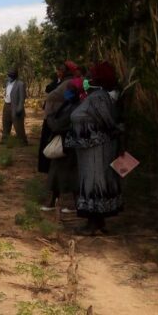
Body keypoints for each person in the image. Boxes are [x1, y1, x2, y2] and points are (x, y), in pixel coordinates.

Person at [65, 62, 123, 235]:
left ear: (99, 78)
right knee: (95, 182)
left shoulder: (98, 97)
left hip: (97, 150)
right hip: (91, 149)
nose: (87, 77)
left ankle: (93, 223)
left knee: (94, 183)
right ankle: (98, 222)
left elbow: (108, 122)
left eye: (91, 74)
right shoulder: (95, 95)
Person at [40, 81, 83, 212]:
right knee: (55, 173)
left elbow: (58, 124)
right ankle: (53, 202)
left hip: (69, 144)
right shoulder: (68, 104)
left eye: (70, 90)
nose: (67, 93)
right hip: (63, 143)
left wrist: (51, 120)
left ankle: (72, 204)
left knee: (68, 175)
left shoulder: (76, 107)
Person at [38, 62, 76, 173]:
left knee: (54, 143)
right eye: (58, 70)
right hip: (53, 116)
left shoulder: (69, 82)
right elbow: (49, 88)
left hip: (58, 117)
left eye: (61, 70)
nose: (58, 72)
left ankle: (49, 168)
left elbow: (55, 95)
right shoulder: (61, 82)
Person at [1, 68, 28, 145]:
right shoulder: (7, 83)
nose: (9, 77)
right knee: (5, 123)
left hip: (15, 106)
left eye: (11, 76)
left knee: (18, 125)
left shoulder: (20, 84)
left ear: (15, 76)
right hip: (6, 105)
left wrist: (19, 108)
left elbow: (22, 98)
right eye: (9, 75)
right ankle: (4, 140)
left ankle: (23, 141)